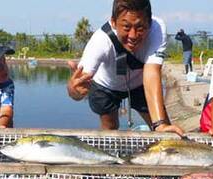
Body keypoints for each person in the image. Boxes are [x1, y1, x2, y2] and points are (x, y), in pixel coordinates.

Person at [67, 0, 184, 136]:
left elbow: (152, 72)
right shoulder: (99, 42)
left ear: (149, 23)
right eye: (126, 27)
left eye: (140, 28)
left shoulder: (157, 29)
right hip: (105, 85)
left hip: (140, 83)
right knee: (110, 128)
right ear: (114, 23)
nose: (133, 36)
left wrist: (160, 124)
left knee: (162, 129)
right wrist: (74, 90)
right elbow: (76, 88)